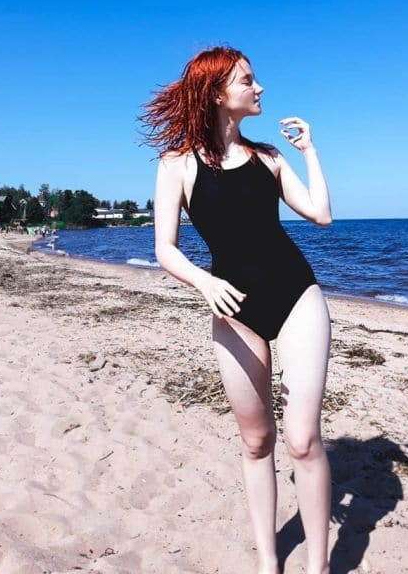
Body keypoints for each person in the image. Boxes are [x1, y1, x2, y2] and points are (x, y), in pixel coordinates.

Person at [144, 46, 332, 574]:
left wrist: (310, 151)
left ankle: (318, 567)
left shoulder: (269, 158)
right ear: (216, 93)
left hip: (296, 296)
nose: (259, 87)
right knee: (256, 441)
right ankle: (269, 562)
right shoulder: (177, 165)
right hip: (233, 310)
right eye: (248, 80)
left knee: (302, 440)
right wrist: (204, 282)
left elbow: (321, 214)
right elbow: (165, 249)